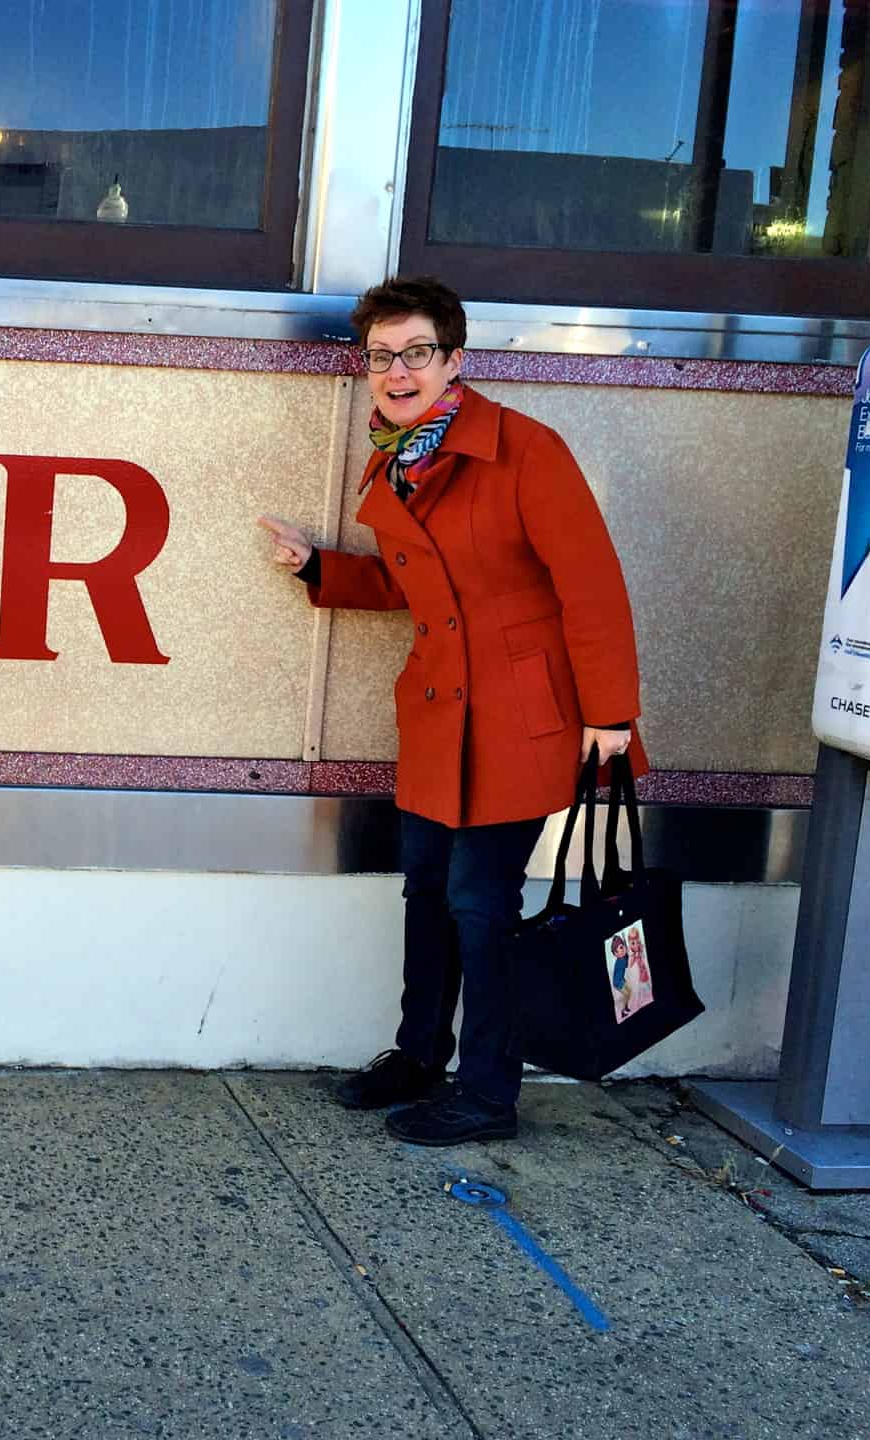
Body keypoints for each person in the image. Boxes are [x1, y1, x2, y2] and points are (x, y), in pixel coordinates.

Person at [257, 275, 644, 1146]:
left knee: (480, 900)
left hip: (522, 713)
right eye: (382, 356)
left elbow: (591, 586)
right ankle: (418, 1056)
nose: (398, 371)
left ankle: (489, 1092)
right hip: (439, 710)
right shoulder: (396, 457)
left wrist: (611, 713)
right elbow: (411, 583)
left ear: (455, 359)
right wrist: (319, 569)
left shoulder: (524, 449)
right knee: (426, 887)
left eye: (417, 353)